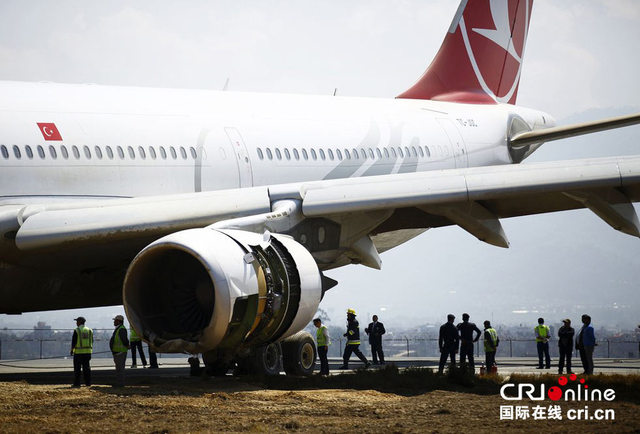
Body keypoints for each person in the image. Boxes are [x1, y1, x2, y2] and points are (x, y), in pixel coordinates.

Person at [70, 316, 93, 387]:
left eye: (77, 321)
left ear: (80, 322)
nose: (76, 323)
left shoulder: (77, 330)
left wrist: (72, 350)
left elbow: (74, 341)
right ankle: (88, 383)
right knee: (87, 368)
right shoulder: (89, 330)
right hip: (88, 352)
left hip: (78, 353)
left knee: (77, 369)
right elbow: (92, 341)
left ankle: (77, 383)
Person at [110, 314, 130, 387]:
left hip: (120, 352)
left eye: (115, 320)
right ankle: (119, 383)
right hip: (118, 352)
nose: (114, 322)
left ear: (118, 321)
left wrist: (127, 345)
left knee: (120, 369)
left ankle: (120, 384)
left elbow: (124, 339)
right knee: (119, 369)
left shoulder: (121, 329)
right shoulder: (119, 328)